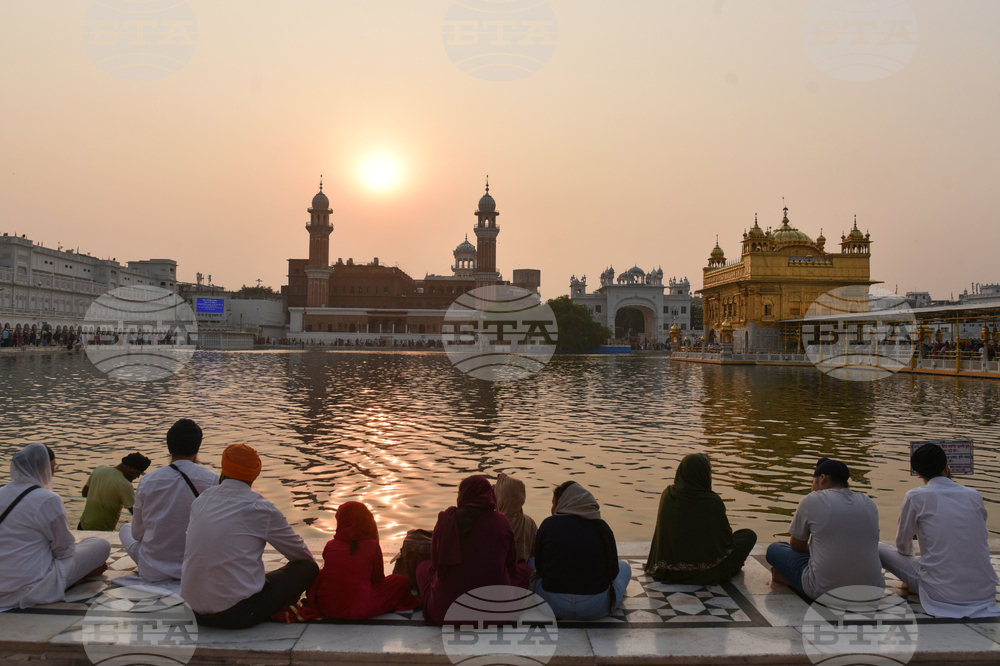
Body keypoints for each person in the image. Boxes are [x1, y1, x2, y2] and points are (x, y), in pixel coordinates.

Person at [181, 444, 318, 629]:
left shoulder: (201, 501)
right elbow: (301, 556)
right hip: (237, 614)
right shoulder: (260, 508)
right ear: (255, 474)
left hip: (192, 610)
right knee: (308, 568)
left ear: (223, 469)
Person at [878, 443, 1000, 618]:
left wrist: (918, 560)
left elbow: (903, 546)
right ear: (946, 467)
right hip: (984, 594)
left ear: (918, 473)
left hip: (941, 594)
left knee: (879, 548)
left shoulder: (916, 496)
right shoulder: (974, 495)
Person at [0, 444, 111, 611]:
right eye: (54, 468)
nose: (52, 473)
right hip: (30, 586)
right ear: (45, 466)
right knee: (100, 544)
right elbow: (64, 551)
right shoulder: (48, 499)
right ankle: (80, 576)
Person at [416, 475, 528, 626]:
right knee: (525, 571)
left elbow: (436, 566)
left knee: (422, 568)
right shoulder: (502, 522)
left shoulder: (446, 520)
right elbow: (512, 567)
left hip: (446, 612)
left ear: (462, 495)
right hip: (496, 613)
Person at [766, 457, 883, 599]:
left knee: (775, 549)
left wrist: (815, 550)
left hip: (826, 591)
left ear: (822, 478)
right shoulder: (868, 502)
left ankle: (790, 580)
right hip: (872, 591)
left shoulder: (812, 499)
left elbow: (796, 545)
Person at [119, 419, 218, 582]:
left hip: (152, 570)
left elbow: (137, 534)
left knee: (125, 529)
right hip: (192, 569)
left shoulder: (148, 480)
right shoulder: (211, 479)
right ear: (197, 448)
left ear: (169, 447)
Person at [645, 453, 757, 584]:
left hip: (667, 570)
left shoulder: (668, 495)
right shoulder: (712, 501)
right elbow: (725, 543)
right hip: (706, 574)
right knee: (748, 536)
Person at [531, 481, 632, 621]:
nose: (552, 508)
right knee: (625, 567)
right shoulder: (601, 526)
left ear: (564, 503)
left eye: (553, 503)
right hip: (596, 607)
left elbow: (539, 569)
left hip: (551, 605)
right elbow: (613, 572)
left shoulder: (548, 524)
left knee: (530, 562)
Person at [307, 501, 420, 619]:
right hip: (359, 609)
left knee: (323, 573)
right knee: (400, 581)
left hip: (327, 607)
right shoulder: (372, 545)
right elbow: (377, 580)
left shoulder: (330, 545)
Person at [78, 453, 151, 531]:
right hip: (102, 531)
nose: (137, 477)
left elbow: (84, 493)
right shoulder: (125, 485)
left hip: (82, 526)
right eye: (138, 473)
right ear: (129, 467)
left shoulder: (100, 469)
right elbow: (136, 514)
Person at [495, 472, 537, 562]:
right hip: (524, 573)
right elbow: (535, 552)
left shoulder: (494, 522)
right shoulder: (530, 522)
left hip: (499, 573)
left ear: (501, 496)